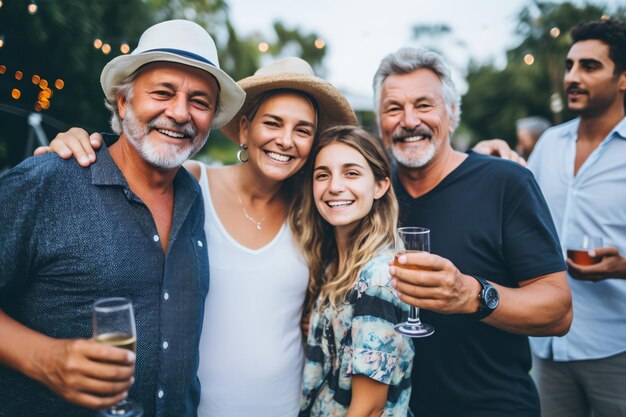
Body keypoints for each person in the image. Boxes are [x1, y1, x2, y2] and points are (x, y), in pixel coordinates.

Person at [36, 57, 357, 417]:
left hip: (285, 405)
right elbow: (126, 163)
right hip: (195, 408)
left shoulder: (315, 213)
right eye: (273, 123)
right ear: (246, 128)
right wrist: (75, 146)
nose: (285, 140)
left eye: (302, 130)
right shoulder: (189, 184)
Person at [0, 20, 246, 417]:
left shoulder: (193, 198)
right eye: (162, 93)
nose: (180, 113)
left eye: (199, 101)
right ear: (124, 102)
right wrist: (44, 359)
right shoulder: (49, 181)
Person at [373, 47, 573, 417]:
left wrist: (473, 295)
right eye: (393, 108)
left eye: (424, 105)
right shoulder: (370, 190)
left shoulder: (505, 183)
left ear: (451, 114)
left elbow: (558, 311)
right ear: (380, 120)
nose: (409, 120)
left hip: (489, 406)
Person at [476, 19, 626, 417]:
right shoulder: (548, 145)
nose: (573, 77)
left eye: (590, 67)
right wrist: (483, 160)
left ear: (624, 78)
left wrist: (623, 267)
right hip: (544, 346)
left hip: (615, 345)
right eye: (570, 66)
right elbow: (519, 216)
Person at [296, 125, 414, 416]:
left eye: (351, 173)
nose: (334, 186)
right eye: (322, 174)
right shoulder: (333, 264)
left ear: (380, 185)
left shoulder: (379, 276)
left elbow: (368, 408)